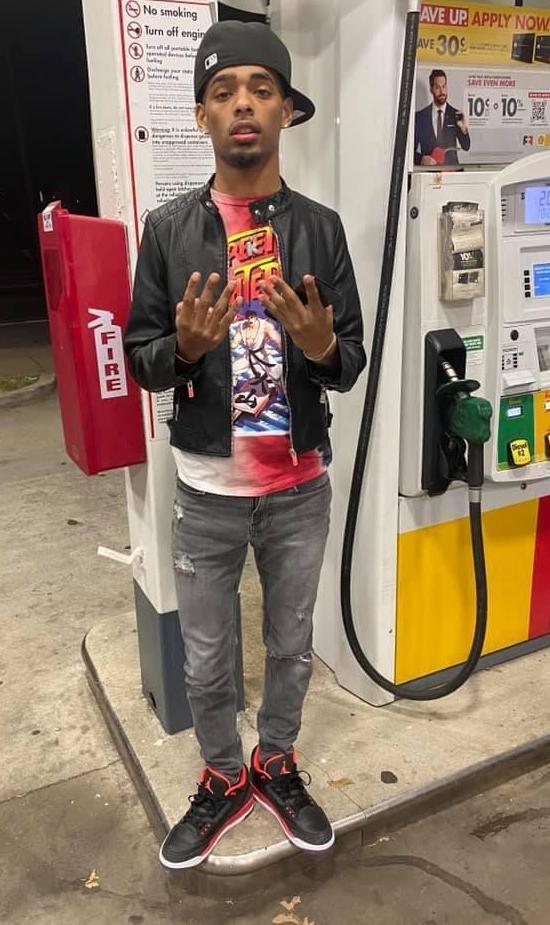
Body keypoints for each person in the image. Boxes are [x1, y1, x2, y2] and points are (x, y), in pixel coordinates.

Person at [124, 20, 366, 870]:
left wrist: (322, 348)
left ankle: (277, 762)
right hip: (207, 488)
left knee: (291, 643)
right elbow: (140, 356)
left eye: (262, 89)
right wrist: (185, 349)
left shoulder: (321, 230)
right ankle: (224, 774)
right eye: (224, 92)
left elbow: (351, 360)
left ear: (287, 110)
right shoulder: (168, 230)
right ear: (201, 116)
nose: (243, 105)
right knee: (206, 656)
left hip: (299, 486)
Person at [414, 69, 471, 166]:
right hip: (428, 173)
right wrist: (421, 159)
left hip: (451, 173)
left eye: (444, 86)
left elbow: (466, 146)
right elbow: (409, 152)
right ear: (431, 89)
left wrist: (464, 129)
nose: (442, 91)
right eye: (437, 87)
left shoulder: (455, 115)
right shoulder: (420, 117)